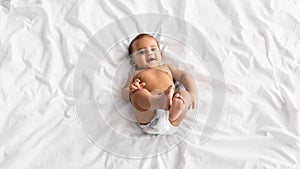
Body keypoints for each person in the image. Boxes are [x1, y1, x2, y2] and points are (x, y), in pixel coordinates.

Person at [122, 33, 196, 134]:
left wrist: (192, 92)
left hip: (172, 116)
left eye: (153, 49)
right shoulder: (135, 73)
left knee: (184, 95)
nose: (149, 53)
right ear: (133, 61)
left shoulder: (167, 67)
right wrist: (131, 90)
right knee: (138, 94)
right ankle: (160, 101)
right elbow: (124, 94)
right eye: (142, 52)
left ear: (161, 54)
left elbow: (184, 76)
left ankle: (177, 106)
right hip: (148, 114)